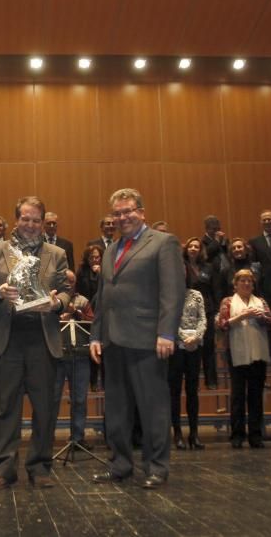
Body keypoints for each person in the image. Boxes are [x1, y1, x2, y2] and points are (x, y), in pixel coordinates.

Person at [90, 188, 185, 490]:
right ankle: (120, 465)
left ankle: (156, 467)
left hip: (148, 339)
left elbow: (173, 291)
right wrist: (96, 334)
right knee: (116, 409)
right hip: (112, 340)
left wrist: (167, 332)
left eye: (128, 211)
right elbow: (104, 295)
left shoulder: (163, 243)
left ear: (142, 212)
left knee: (152, 407)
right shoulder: (109, 249)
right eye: (117, 213)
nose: (122, 217)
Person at [0, 196, 69, 491]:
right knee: (4, 407)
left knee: (44, 407)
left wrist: (56, 304)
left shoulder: (57, 253)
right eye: (25, 219)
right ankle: (3, 469)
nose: (30, 225)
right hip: (8, 337)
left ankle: (40, 467)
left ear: (43, 222)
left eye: (36, 220)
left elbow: (67, 292)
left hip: (43, 338)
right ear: (16, 220)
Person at [219, 269, 271, 449]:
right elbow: (223, 324)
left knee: (256, 396)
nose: (246, 284)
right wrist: (242, 316)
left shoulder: (261, 302)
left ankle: (255, 435)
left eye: (249, 281)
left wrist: (262, 317)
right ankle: (237, 435)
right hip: (237, 353)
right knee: (238, 396)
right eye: (242, 281)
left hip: (258, 354)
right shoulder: (228, 302)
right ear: (235, 284)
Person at [54, 270, 95, 452]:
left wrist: (76, 313)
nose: (68, 283)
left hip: (80, 355)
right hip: (57, 356)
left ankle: (77, 437)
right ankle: (46, 436)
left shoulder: (84, 301)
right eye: (65, 281)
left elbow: (92, 322)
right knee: (52, 398)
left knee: (79, 399)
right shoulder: (53, 300)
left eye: (71, 281)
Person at [169, 285, 206, 450]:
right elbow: (167, 319)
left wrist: (196, 337)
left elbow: (202, 319)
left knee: (193, 391)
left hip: (194, 346)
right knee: (174, 391)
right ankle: (177, 433)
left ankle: (194, 433)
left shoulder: (196, 294)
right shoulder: (167, 293)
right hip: (177, 346)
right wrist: (185, 337)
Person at [183, 237, 218, 390]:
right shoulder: (181, 266)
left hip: (207, 309)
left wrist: (217, 311)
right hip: (187, 310)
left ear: (200, 250)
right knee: (189, 344)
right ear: (186, 249)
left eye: (196, 246)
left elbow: (215, 289)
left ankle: (211, 381)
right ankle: (190, 380)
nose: (193, 249)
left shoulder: (208, 267)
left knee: (209, 344)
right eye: (191, 246)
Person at [76, 244, 104, 391]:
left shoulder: (107, 271)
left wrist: (101, 274)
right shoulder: (81, 272)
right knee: (90, 348)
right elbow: (79, 292)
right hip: (88, 313)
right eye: (92, 257)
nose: (95, 259)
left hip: (103, 313)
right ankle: (92, 382)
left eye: (97, 257)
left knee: (103, 349)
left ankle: (105, 382)